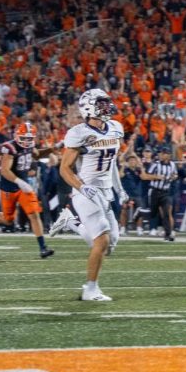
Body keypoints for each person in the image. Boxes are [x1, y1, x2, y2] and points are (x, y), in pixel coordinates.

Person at [57, 88, 125, 301]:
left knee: (110, 244)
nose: (107, 107)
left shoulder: (115, 128)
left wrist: (119, 188)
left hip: (105, 192)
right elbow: (64, 168)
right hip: (86, 191)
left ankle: (71, 224)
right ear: (89, 107)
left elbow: (112, 163)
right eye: (101, 103)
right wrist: (81, 187)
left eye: (106, 102)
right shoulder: (79, 133)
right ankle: (90, 289)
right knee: (102, 240)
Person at [0, 121, 55, 258]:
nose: (27, 141)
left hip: (24, 187)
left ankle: (43, 248)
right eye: (24, 138)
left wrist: (52, 149)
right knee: (8, 220)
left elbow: (37, 154)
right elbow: (4, 170)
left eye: (29, 138)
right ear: (17, 136)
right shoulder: (10, 148)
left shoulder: (30, 145)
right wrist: (19, 182)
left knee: (34, 214)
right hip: (9, 187)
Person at [140, 148, 179, 242]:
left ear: (168, 155)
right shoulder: (155, 165)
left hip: (165, 192)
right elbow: (144, 176)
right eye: (160, 154)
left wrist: (174, 177)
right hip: (155, 191)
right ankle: (139, 213)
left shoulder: (172, 165)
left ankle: (168, 234)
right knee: (153, 213)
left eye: (163, 154)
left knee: (166, 212)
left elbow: (175, 175)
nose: (161, 155)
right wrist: (157, 177)